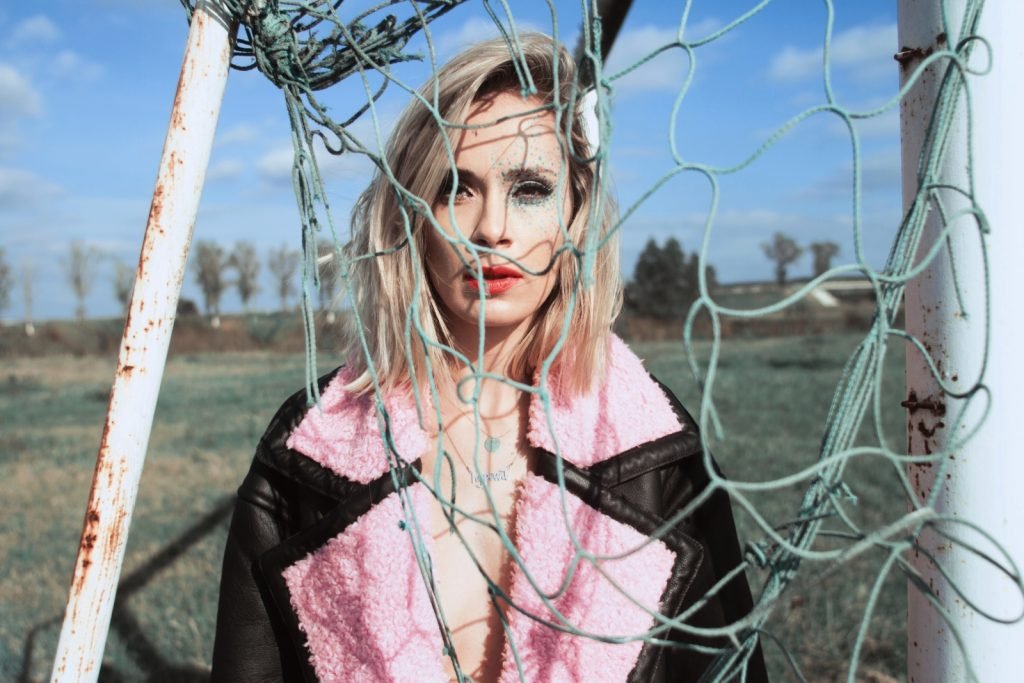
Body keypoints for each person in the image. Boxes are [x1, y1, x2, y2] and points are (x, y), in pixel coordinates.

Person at [211, 34, 767, 683]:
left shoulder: (656, 449)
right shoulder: (308, 447)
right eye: (456, 188)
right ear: (411, 217)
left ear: (576, 215)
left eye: (530, 188)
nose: (492, 229)